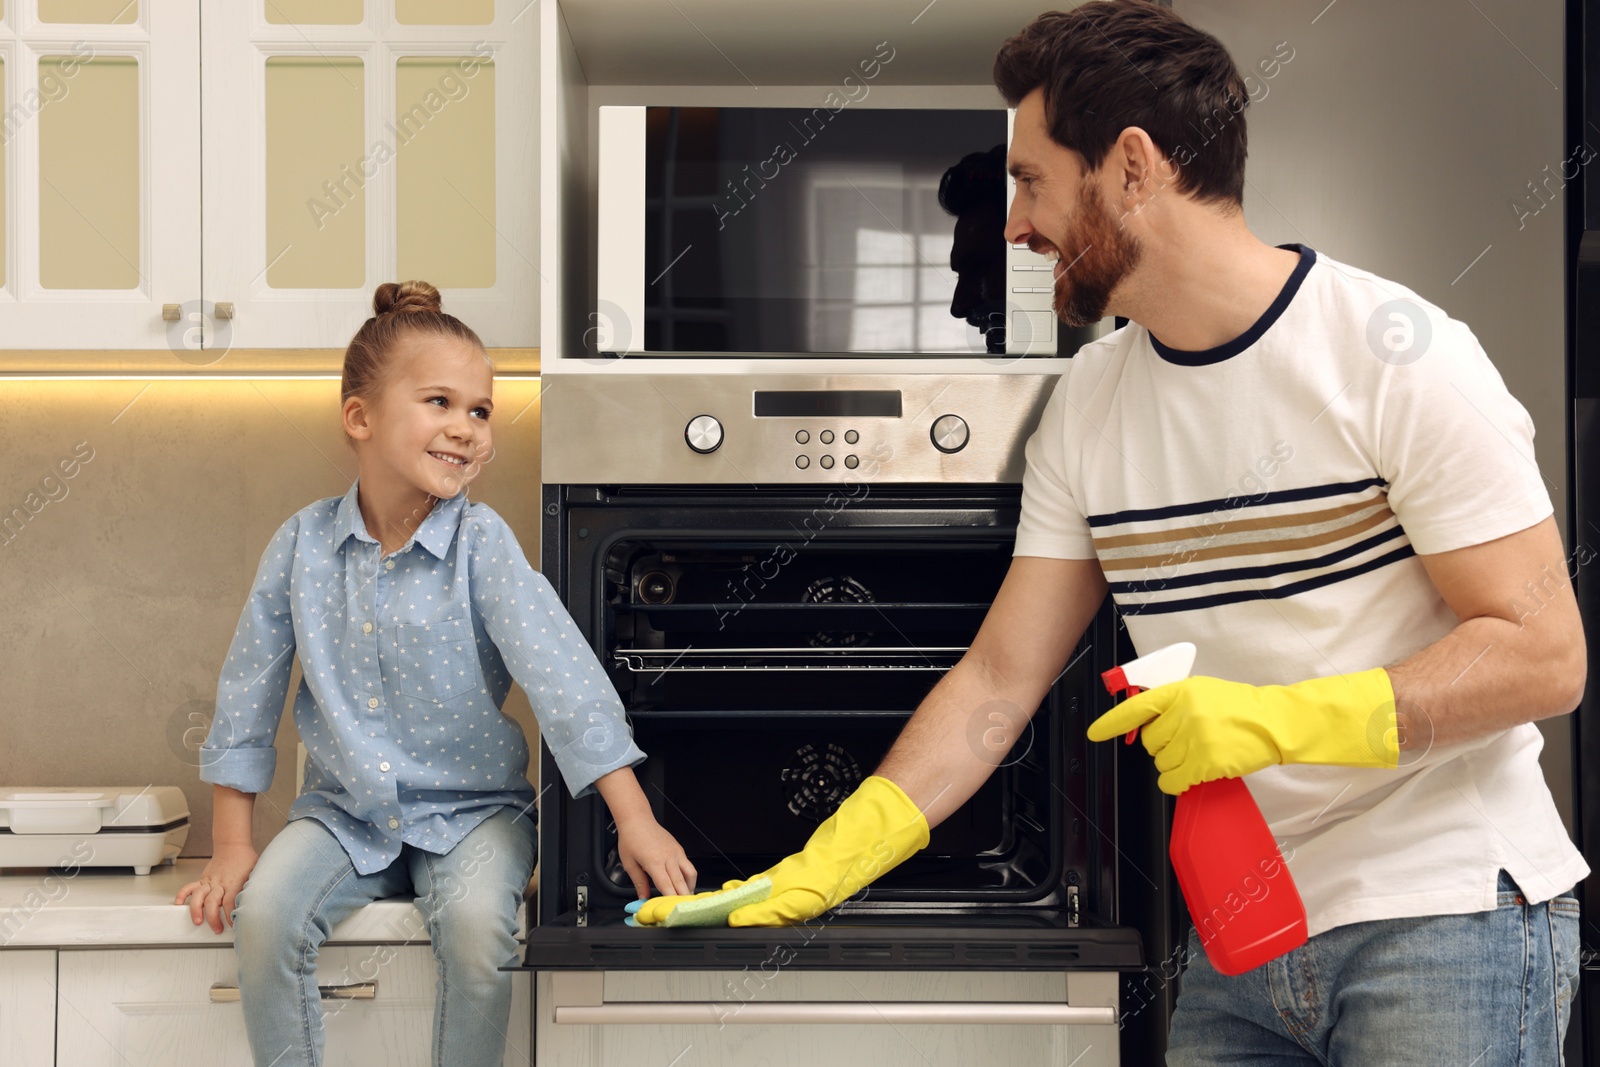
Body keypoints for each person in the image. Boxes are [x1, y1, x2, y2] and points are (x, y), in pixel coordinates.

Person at [635, 2, 1590, 1063]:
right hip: (1242, 933)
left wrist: (1283, 720)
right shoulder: (1091, 402)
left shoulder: (1392, 352)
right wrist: (834, 854)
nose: (1013, 225)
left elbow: (1543, 652)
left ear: (1132, 166)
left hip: (1441, 911)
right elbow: (1001, 678)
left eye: (1032, 180)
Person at [174, 280, 695, 1067]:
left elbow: (566, 683)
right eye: (440, 402)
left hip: (475, 814)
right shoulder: (301, 547)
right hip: (341, 817)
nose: (467, 429)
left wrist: (635, 817)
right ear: (361, 417)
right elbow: (248, 693)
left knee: (479, 929)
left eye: (481, 410)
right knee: (266, 917)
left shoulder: (482, 546)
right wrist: (232, 840)